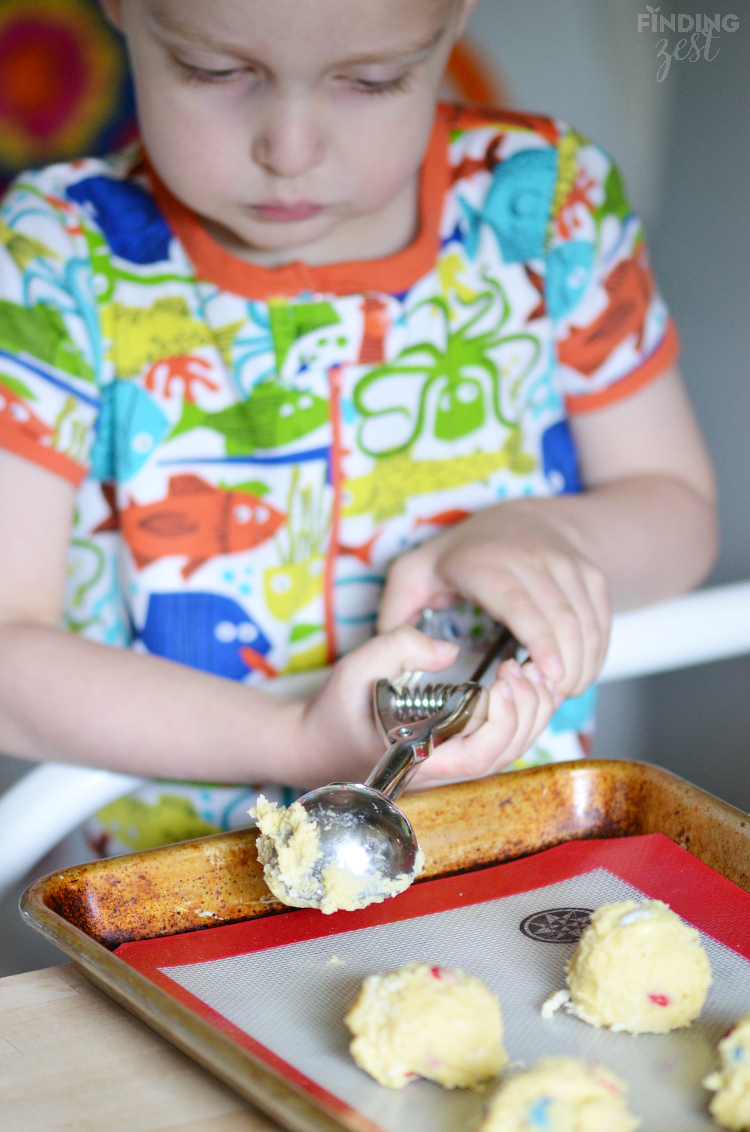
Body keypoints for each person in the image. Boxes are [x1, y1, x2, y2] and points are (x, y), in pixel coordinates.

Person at [0, 0, 717, 853]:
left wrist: (541, 531)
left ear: (457, 19)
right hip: (178, 896)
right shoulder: (54, 255)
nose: (290, 150)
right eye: (214, 71)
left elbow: (679, 516)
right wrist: (295, 738)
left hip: (514, 858)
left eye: (372, 80)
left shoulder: (547, 203)